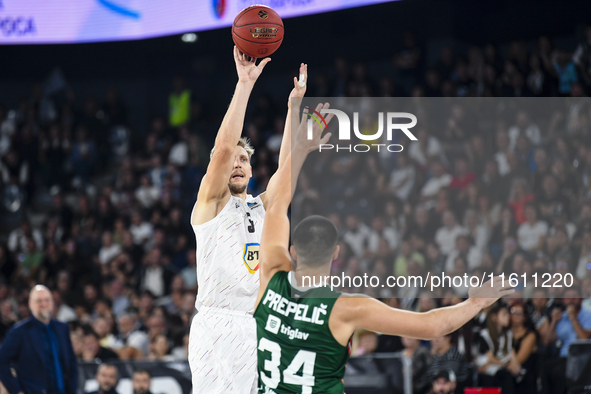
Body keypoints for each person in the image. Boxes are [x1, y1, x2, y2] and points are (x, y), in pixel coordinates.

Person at [253, 107, 513, 393]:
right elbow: (432, 326)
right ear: (336, 254)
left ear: (293, 251)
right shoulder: (347, 308)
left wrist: (299, 147)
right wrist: (474, 303)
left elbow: (277, 203)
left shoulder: (270, 275)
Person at [188, 46, 309, 393]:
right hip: (218, 324)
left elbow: (286, 172)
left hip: (258, 323)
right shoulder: (210, 204)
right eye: (232, 159)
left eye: (245, 158)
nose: (237, 162)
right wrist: (244, 84)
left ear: (252, 168)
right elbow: (223, 149)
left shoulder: (260, 207)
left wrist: (293, 107)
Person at [0, 285, 78, 394]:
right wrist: (16, 390)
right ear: (30, 304)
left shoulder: (62, 328)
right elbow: (2, 360)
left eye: (47, 300)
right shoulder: (19, 332)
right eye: (39, 301)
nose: (44, 304)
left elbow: (71, 361)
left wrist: (73, 388)